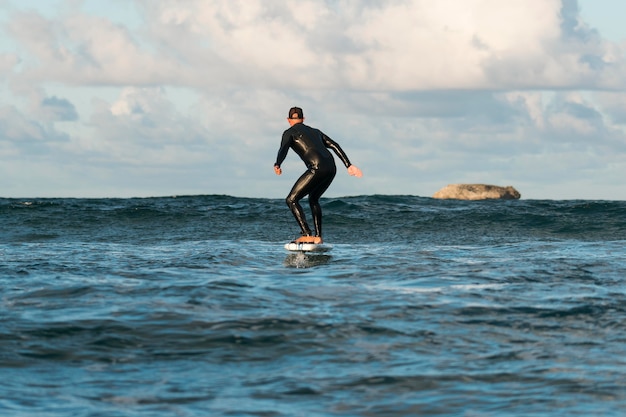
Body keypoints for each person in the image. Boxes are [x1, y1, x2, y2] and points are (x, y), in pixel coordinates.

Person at [274, 107, 362, 244]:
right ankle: (318, 236)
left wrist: (277, 163)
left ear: (288, 120)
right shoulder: (316, 131)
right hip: (331, 168)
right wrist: (348, 165)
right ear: (303, 119)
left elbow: (283, 148)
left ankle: (307, 234)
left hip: (316, 168)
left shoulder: (289, 133)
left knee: (291, 200)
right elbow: (334, 145)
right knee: (313, 199)